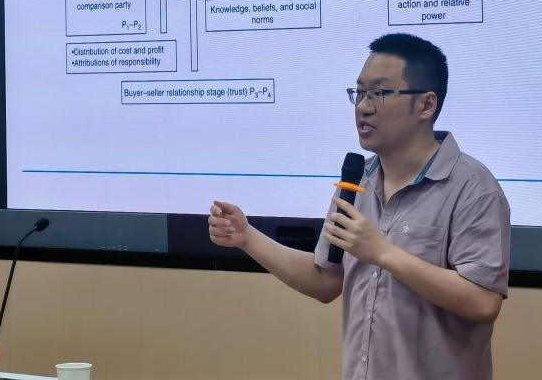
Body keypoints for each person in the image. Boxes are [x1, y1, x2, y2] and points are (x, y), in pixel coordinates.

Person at [209, 33, 511, 379]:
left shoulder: (473, 188)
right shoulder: (358, 181)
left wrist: (384, 253)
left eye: (379, 93)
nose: (363, 107)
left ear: (426, 105)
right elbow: (326, 281)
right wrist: (247, 237)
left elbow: (483, 301)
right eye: (359, 93)